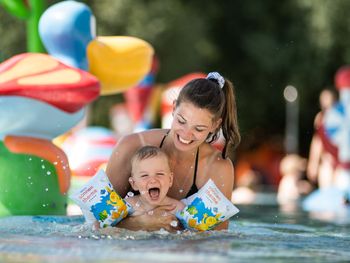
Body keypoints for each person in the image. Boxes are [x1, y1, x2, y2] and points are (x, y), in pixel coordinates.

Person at [106, 71, 240, 231]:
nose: (186, 134)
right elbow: (96, 221)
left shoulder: (217, 168)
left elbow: (217, 240)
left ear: (214, 126)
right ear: (174, 107)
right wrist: (142, 224)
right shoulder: (132, 146)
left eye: (198, 128)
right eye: (181, 121)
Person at [126, 145, 185, 216]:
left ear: (170, 179)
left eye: (160, 174)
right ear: (134, 183)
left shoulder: (178, 208)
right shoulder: (128, 206)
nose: (153, 180)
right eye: (144, 175)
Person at [307, 88, 337, 188]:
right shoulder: (320, 118)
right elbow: (317, 142)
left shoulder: (341, 117)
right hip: (326, 161)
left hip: (339, 160)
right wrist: (313, 162)